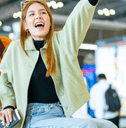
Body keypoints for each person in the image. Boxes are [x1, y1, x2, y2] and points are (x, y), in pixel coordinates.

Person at [0, 0, 117, 128]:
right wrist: (8, 105)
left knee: (109, 125)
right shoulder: (15, 48)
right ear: (25, 25)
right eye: (32, 14)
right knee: (87, 125)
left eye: (43, 12)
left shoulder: (61, 42)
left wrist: (89, 2)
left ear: (50, 22)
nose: (38, 16)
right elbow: (5, 81)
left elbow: (76, 21)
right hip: (33, 117)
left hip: (61, 113)